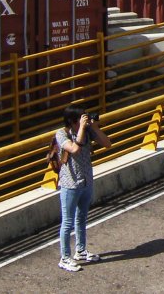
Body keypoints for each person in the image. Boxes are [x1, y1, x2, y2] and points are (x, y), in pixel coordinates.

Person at [56, 105, 111, 272]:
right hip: (70, 184)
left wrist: (94, 127)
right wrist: (81, 128)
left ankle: (80, 250)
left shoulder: (87, 131)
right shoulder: (61, 134)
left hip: (86, 181)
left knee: (81, 218)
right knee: (67, 222)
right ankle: (65, 257)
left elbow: (107, 143)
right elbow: (74, 148)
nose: (84, 121)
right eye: (81, 118)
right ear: (73, 121)